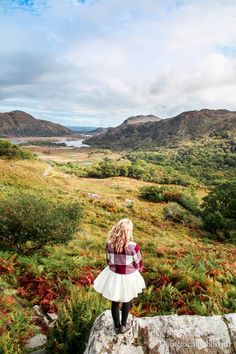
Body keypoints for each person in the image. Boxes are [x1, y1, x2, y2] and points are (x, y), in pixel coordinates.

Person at [92, 218, 146, 334]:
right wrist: (138, 270)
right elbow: (138, 263)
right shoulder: (133, 246)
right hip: (129, 275)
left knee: (115, 301)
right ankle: (123, 326)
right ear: (128, 231)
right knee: (127, 300)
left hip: (114, 274)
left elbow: (108, 260)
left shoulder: (109, 244)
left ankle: (116, 327)